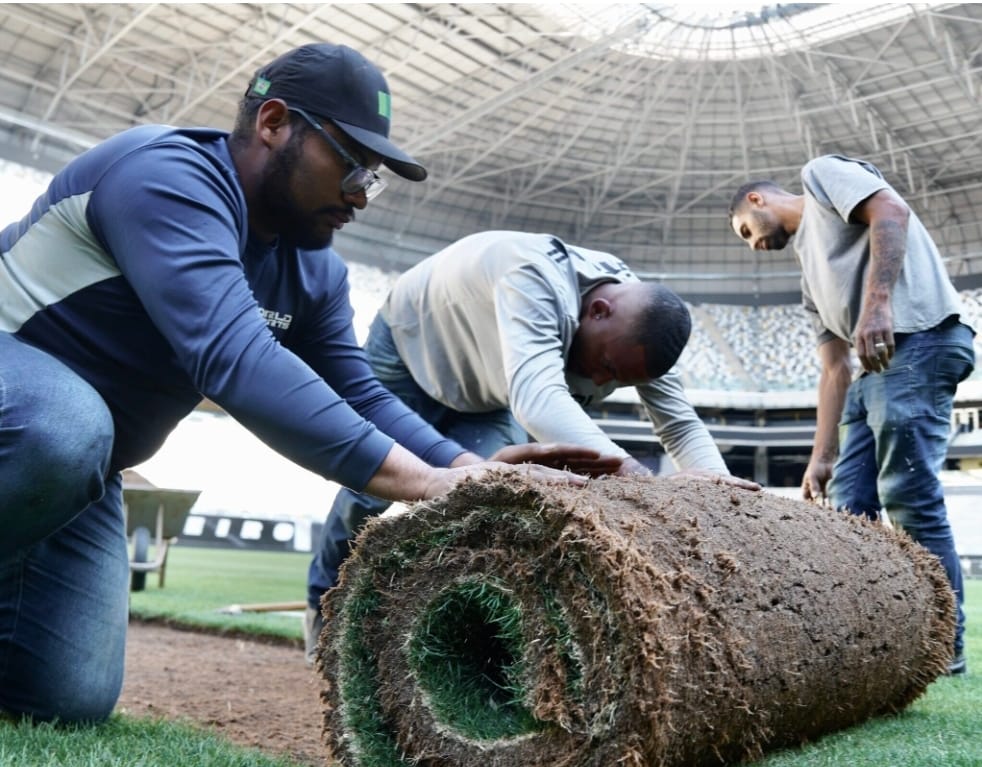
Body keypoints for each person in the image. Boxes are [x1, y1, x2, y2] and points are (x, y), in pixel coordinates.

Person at [0, 44, 603, 724]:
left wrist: (473, 469)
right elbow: (236, 359)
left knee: (65, 700)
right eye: (351, 163)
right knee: (66, 425)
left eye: (373, 179)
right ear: (274, 123)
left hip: (81, 468)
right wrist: (427, 484)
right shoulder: (166, 176)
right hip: (36, 423)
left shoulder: (315, 272)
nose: (360, 196)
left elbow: (361, 395)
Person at [305, 229, 759, 662]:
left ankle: (453, 631)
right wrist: (645, 484)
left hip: (486, 392)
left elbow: (679, 425)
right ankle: (321, 607)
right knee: (370, 490)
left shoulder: (642, 327)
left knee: (483, 496)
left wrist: (718, 494)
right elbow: (538, 401)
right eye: (604, 366)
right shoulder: (532, 274)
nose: (602, 382)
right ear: (598, 310)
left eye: (618, 380)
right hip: (410, 348)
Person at [728, 154, 976, 676]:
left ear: (758, 200)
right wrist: (821, 456)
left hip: (920, 339)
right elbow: (834, 368)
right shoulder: (808, 274)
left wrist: (878, 303)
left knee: (909, 496)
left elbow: (891, 210)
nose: (753, 244)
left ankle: (942, 647)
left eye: (747, 230)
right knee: (849, 513)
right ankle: (871, 643)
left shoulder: (820, 176)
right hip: (870, 373)